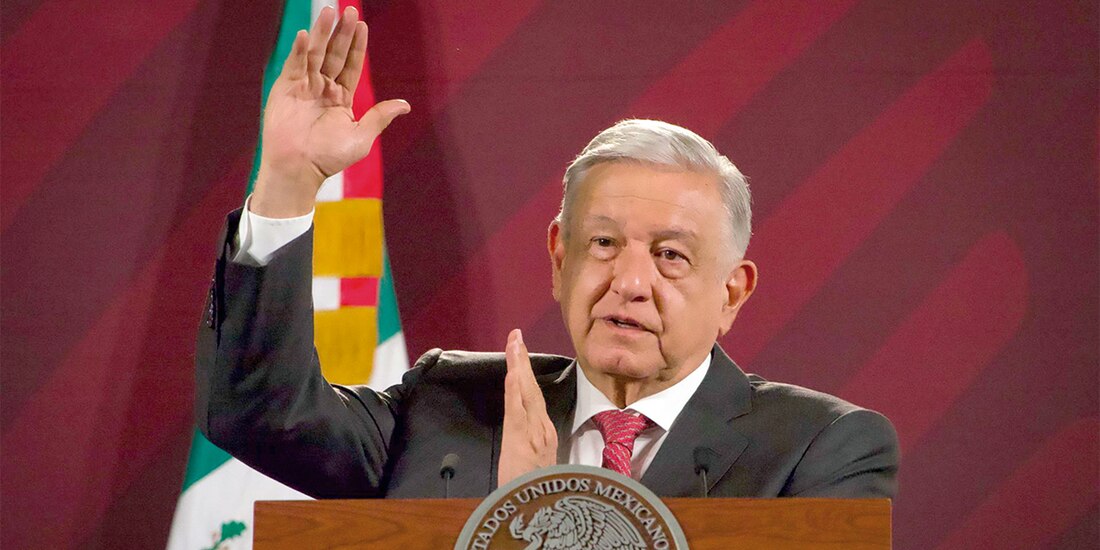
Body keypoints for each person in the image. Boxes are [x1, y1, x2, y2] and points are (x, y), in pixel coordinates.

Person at [196, 6, 898, 499]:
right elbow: (262, 417)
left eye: (671, 257)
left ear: (732, 292)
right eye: (603, 244)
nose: (629, 281)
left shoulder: (820, 450)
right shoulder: (448, 405)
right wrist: (287, 184)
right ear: (560, 259)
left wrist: (534, 512)